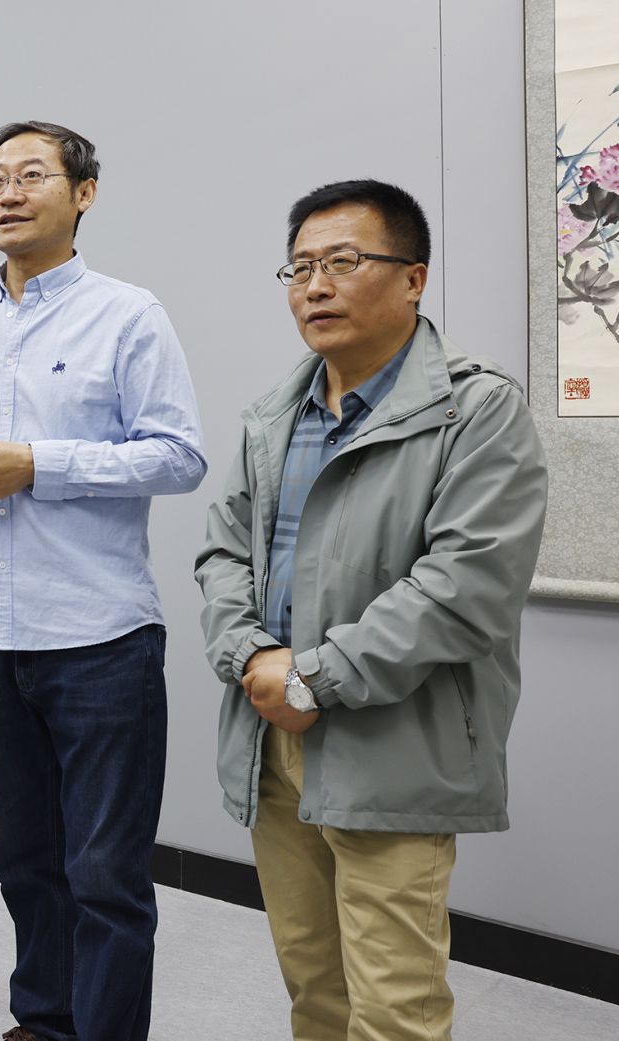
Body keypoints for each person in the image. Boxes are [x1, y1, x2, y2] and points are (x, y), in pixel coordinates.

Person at [195, 180, 548, 1041]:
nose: (315, 286)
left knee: (395, 1009)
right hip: (273, 736)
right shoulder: (275, 415)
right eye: (300, 268)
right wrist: (251, 656)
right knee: (314, 987)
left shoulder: (477, 408)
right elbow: (222, 554)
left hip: (392, 741)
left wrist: (313, 676)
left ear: (413, 277)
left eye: (344, 262)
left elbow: (465, 587)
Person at [0, 121, 206, 1041]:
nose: (6, 192)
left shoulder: (128, 314)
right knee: (24, 860)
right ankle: (43, 1022)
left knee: (105, 874)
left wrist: (38, 464)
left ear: (83, 194)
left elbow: (179, 456)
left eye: (31, 175)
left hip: (100, 636)